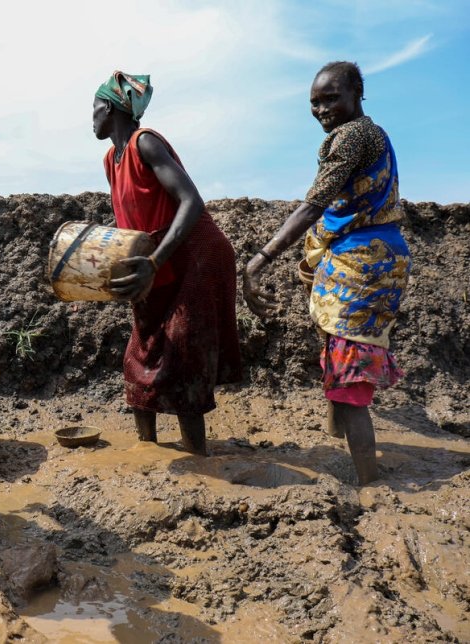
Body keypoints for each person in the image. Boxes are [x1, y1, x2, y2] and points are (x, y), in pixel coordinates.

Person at [242, 62, 410, 485]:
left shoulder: (354, 137)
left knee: (350, 378)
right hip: (366, 258)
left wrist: (260, 259)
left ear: (357, 92)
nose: (321, 110)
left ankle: (370, 483)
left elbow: (314, 203)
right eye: (314, 103)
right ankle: (341, 439)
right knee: (339, 352)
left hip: (362, 263)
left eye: (330, 98)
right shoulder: (370, 136)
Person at [93, 71, 242, 455]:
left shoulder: (146, 143)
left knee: (182, 355)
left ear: (108, 107)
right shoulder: (112, 158)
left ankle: (197, 457)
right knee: (141, 353)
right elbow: (132, 219)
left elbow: (191, 202)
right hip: (155, 258)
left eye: (94, 108)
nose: (90, 116)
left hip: (194, 257)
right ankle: (150, 452)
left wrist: (154, 262)